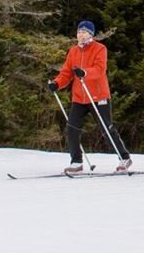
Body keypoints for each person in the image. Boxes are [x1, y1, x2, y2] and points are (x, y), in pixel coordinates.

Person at [48, 20, 132, 173]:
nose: (81, 34)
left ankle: (124, 157)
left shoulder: (100, 49)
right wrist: (56, 84)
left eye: (84, 32)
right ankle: (76, 162)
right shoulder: (73, 51)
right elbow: (66, 73)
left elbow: (100, 69)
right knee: (71, 128)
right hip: (80, 97)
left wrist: (85, 72)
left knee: (106, 128)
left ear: (91, 35)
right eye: (79, 31)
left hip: (98, 96)